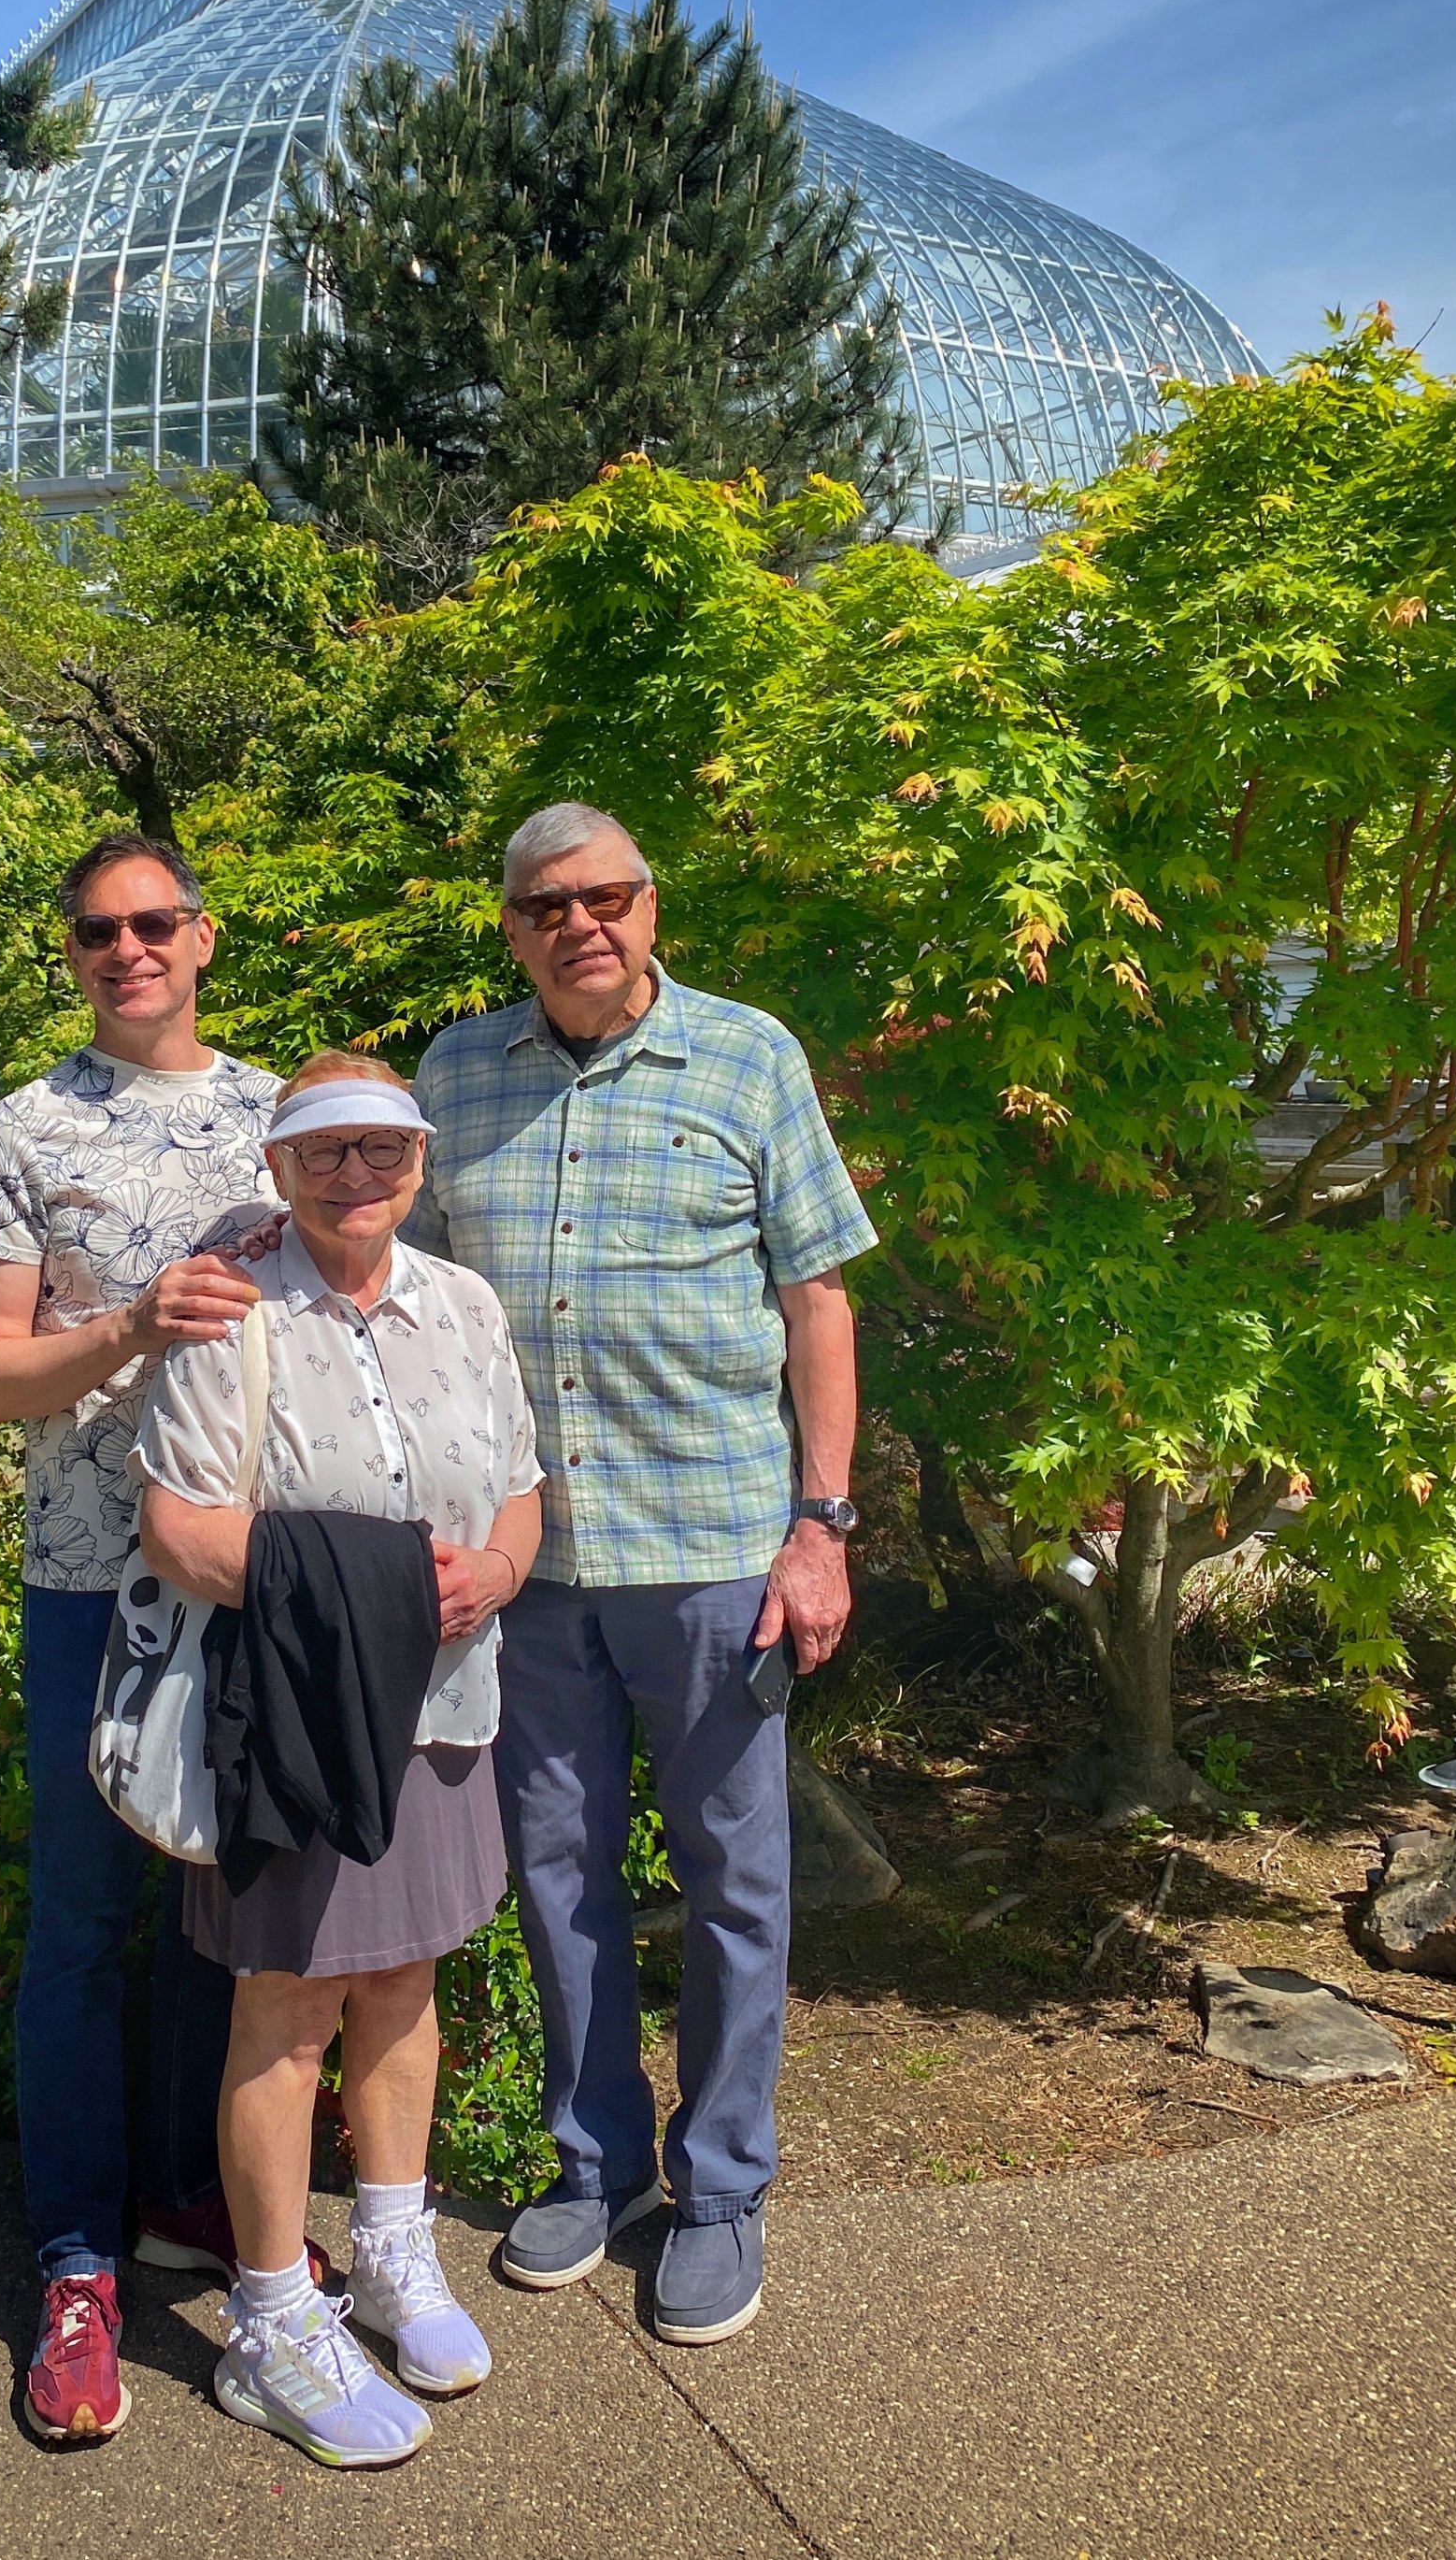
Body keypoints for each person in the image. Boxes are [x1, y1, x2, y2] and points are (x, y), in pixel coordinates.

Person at [410, 802, 877, 2349]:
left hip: (711, 1553)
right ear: (512, 927)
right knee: (558, 1874)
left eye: (606, 895)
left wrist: (822, 1524)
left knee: (737, 1880)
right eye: (547, 905)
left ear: (649, 903)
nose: (579, 924)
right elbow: (396, 1295)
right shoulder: (457, 1076)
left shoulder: (749, 1058)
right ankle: (595, 2157)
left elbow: (818, 1305)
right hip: (533, 1563)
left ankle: (723, 2186)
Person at [135, 1051, 544, 2470]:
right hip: (300, 1717)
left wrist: (491, 1571)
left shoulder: (467, 1303)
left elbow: (519, 1491)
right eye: (325, 1151)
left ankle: (386, 2249)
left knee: (404, 1979)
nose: (356, 1175)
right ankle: (266, 2321)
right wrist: (374, 1586)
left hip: (441, 1708)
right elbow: (182, 1532)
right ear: (279, 1168)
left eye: (383, 1149)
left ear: (419, 1162)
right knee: (287, 2009)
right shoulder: (227, 1311)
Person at [0, 831, 286, 2446]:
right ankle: (79, 2258)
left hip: (250, 1576)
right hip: (88, 1579)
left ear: (203, 936)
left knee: (234, 1909)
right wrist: (132, 1323)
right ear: (74, 952)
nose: (129, 948)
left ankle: (190, 2199)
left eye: (155, 922)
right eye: (99, 930)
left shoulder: (287, 1114)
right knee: (82, 1921)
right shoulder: (27, 1128)